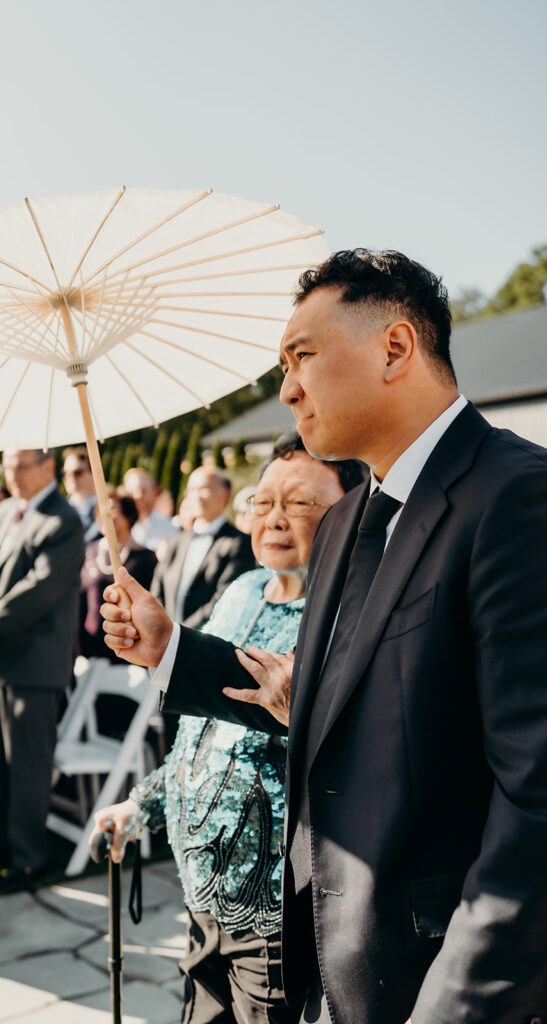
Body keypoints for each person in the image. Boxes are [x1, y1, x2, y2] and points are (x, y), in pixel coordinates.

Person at [101, 250, 547, 1023]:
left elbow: (535, 801)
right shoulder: (344, 522)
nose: (285, 389)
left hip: (436, 979)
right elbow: (314, 695)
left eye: (301, 356)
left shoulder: (516, 498)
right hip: (323, 960)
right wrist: (170, 646)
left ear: (394, 349)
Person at [94, 436, 364, 1024]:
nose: (274, 518)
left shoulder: (350, 612)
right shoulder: (241, 589)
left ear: (352, 512)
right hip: (202, 900)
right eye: (262, 501)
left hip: (277, 914)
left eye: (299, 504)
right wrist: (140, 804)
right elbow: (203, 735)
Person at [0, 449, 84, 881]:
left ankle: (28, 855)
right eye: (7, 467)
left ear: (48, 466)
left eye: (21, 466)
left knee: (28, 767)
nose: (11, 475)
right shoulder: (6, 509)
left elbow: (42, 588)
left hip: (34, 661)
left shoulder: (63, 520)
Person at [150, 466, 255, 630]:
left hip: (206, 641)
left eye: (204, 489)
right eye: (192, 490)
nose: (196, 496)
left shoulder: (239, 543)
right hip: (167, 640)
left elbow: (224, 599)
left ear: (226, 494)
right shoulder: (175, 542)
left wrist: (181, 634)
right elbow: (157, 589)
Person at [79, 489, 156, 663]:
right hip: (89, 650)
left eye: (111, 508)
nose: (103, 514)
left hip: (128, 649)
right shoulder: (89, 552)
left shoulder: (145, 558)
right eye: (99, 509)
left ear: (128, 515)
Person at [123, 468, 178, 552]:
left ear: (154, 492)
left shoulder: (169, 528)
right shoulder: (116, 526)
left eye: (143, 491)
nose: (138, 496)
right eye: (133, 491)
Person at [62, 446, 100, 544]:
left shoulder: (107, 507)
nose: (70, 477)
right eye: (65, 473)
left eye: (77, 472)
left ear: (93, 473)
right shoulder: (59, 509)